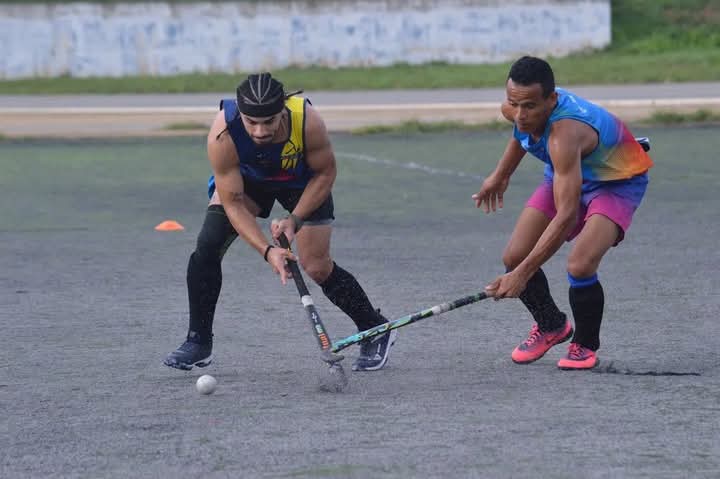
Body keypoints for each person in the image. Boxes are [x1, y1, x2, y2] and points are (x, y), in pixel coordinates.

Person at [164, 72, 396, 372]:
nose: (260, 131)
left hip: (303, 183)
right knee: (208, 244)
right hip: (249, 183)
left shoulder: (307, 122)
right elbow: (233, 203)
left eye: (269, 122)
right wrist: (267, 250)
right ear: (241, 114)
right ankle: (198, 342)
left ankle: (374, 328)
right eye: (251, 122)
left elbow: (325, 173)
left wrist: (295, 219)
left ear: (283, 111)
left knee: (316, 266)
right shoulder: (223, 132)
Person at [473, 56, 653, 370]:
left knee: (580, 264)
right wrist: (500, 175)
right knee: (514, 256)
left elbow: (567, 216)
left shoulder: (564, 134)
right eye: (514, 104)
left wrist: (522, 276)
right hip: (565, 171)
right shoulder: (517, 111)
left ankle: (584, 345)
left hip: (616, 181)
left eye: (529, 106)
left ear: (551, 100)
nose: (520, 114)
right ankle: (551, 324)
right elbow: (521, 133)